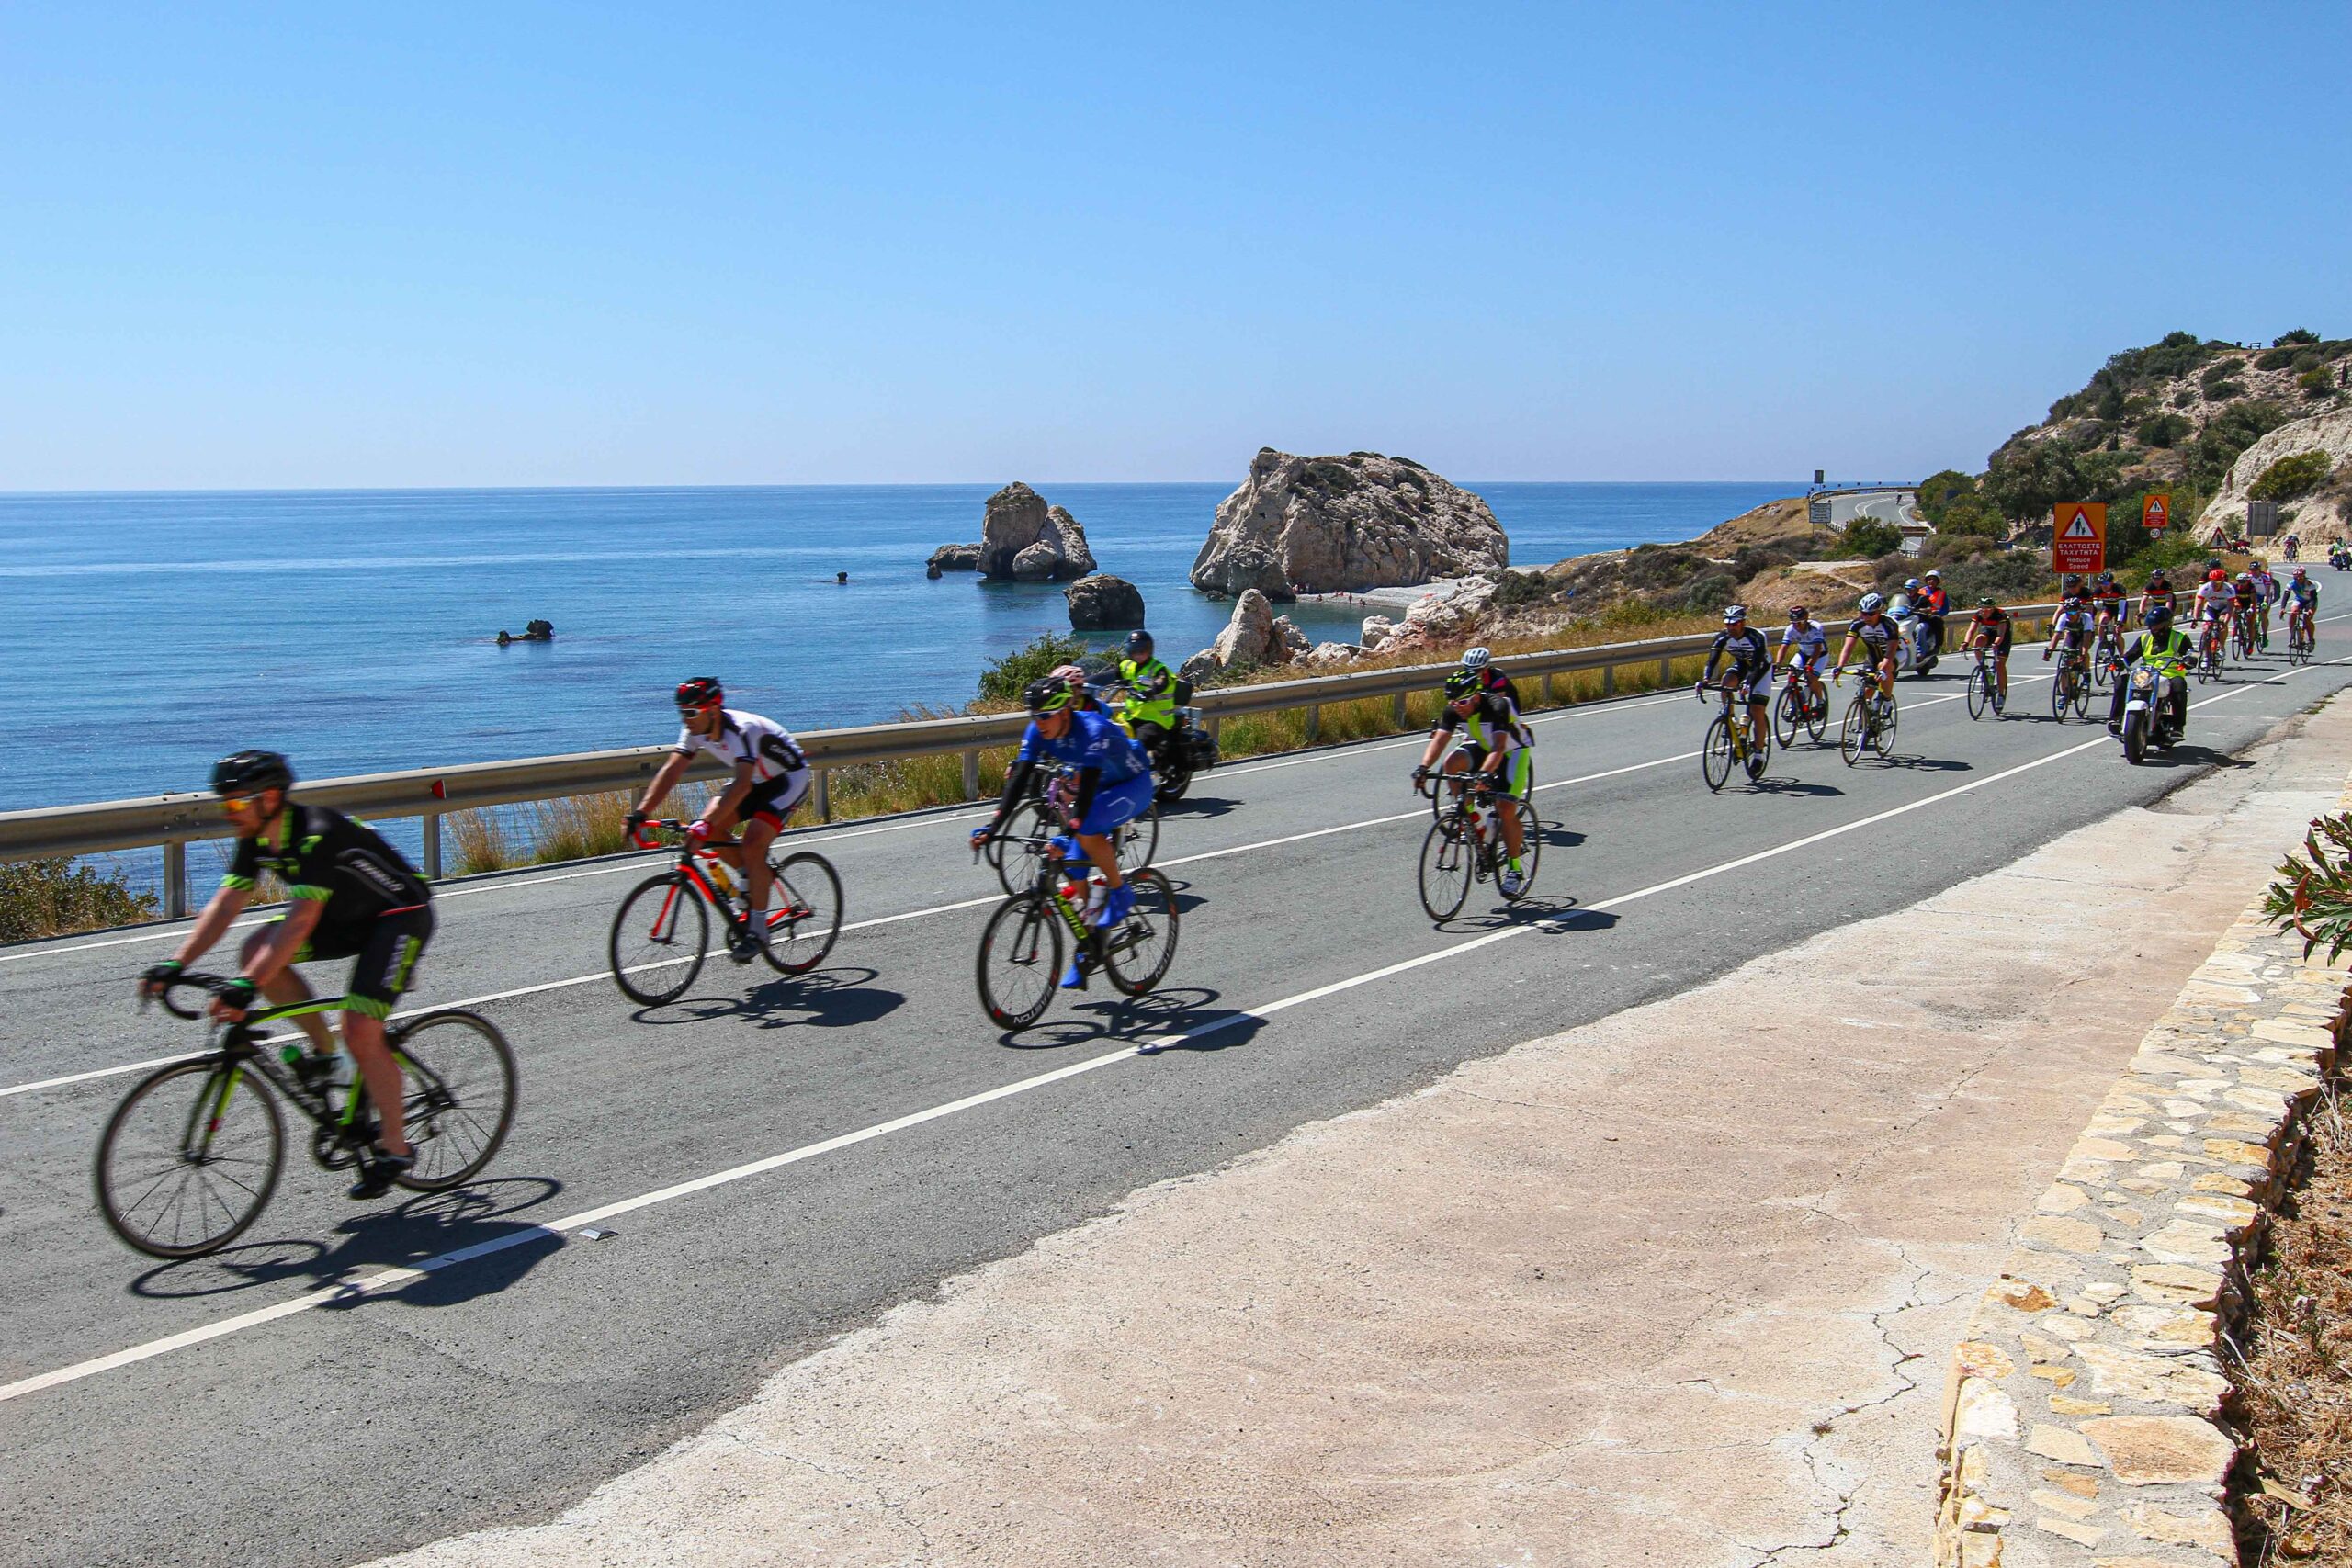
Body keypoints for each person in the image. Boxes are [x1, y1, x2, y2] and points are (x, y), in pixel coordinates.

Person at [140, 750, 433, 1200]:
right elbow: (225, 906)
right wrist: (176, 963)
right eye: (225, 804)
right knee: (254, 949)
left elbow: (299, 924)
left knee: (361, 1028)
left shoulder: (317, 834)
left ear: (270, 797)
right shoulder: (256, 837)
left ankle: (395, 1148)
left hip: (398, 917)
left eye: (237, 802)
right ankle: (329, 1053)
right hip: (343, 918)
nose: (230, 813)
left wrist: (246, 986)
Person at [971, 673, 1155, 987]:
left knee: (1086, 825)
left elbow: (1086, 795)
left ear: (1065, 711)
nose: (1039, 723)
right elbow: (1020, 780)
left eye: (1045, 716)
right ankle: (1092, 946)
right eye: (1034, 716)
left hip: (1132, 784)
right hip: (1100, 791)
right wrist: (993, 827)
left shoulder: (1093, 729)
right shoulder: (1038, 731)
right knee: (1072, 866)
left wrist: (1066, 834)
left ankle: (1120, 892)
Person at [628, 678, 812, 963]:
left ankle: (758, 931)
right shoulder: (695, 730)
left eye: (691, 713)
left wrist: (704, 824)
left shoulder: (741, 730)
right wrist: (641, 813)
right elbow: (671, 771)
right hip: (756, 780)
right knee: (708, 828)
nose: (685, 719)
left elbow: (742, 785)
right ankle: (751, 876)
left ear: (713, 710)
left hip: (788, 780)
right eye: (681, 712)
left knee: (752, 843)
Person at [1412, 668, 1533, 897]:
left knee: (1505, 808)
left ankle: (1514, 869)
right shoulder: (1455, 709)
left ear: (1476, 697)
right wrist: (1423, 768)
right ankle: (1470, 818)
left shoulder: (1497, 706)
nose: (1457, 707)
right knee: (1451, 763)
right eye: (1453, 702)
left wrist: (1485, 774)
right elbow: (1440, 740)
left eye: (1463, 702)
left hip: (1512, 751)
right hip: (1483, 746)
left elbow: (1499, 747)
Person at [2106, 603, 2193, 740]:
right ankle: (2116, 719)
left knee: (2179, 686)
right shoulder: (2145, 638)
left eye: (2157, 625)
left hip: (2170, 675)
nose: (2154, 629)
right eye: (2152, 626)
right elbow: (2131, 655)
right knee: (2121, 681)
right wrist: (2120, 662)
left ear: (2167, 624)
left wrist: (2189, 660)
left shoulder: (2180, 638)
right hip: (2147, 675)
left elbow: (2191, 653)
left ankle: (2177, 727)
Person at [1697, 604, 1772, 754]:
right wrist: (1705, 679)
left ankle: (1759, 754)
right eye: (1728, 624)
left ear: (1743, 623)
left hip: (1761, 669)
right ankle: (1730, 720)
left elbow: (1756, 664)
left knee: (1757, 710)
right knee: (1726, 682)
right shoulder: (1722, 637)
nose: (1731, 628)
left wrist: (1748, 683)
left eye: (1735, 624)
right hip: (1742, 665)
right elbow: (1712, 660)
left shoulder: (1756, 636)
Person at [1114, 631, 1180, 758]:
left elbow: (1161, 681)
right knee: (1111, 737)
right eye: (1133, 650)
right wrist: (1084, 681)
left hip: (1156, 719)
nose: (1138, 654)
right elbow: (1109, 675)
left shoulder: (1158, 668)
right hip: (1130, 717)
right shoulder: (1127, 665)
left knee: (1138, 747)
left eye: (1142, 650)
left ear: (1149, 650)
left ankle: (1143, 769)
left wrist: (1150, 691)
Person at [1837, 592, 1900, 704]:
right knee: (1868, 689)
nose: (1866, 617)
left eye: (1871, 614)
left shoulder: (1889, 624)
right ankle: (1868, 711)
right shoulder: (1857, 624)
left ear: (1879, 612)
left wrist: (1882, 670)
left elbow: (1891, 650)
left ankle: (1887, 700)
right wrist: (1839, 667)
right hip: (1872, 656)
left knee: (1883, 669)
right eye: (1863, 613)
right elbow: (1848, 647)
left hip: (1893, 655)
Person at [1775, 605, 1830, 714]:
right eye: (1793, 623)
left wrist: (1809, 665)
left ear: (1806, 619)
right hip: (1803, 654)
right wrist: (1777, 663)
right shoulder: (1790, 629)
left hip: (1820, 655)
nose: (1797, 626)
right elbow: (1784, 647)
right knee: (1791, 675)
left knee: (1811, 676)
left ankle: (1820, 702)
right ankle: (1794, 707)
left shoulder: (1815, 628)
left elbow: (1817, 649)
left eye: (1799, 622)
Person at [1963, 596, 2014, 705]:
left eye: (1987, 609)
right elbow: (1971, 630)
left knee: (2000, 664)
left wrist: (1995, 644)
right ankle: (1984, 668)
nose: (1984, 611)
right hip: (1988, 631)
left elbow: (2001, 635)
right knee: (1978, 640)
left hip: (2002, 636)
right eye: (1982, 608)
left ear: (1992, 609)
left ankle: (2001, 695)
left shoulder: (2000, 615)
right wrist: (1965, 643)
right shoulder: (1978, 614)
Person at [2043, 592, 2096, 689]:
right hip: (2072, 635)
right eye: (2067, 612)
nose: (2069, 615)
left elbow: (2086, 639)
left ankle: (2086, 672)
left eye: (2072, 612)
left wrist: (2083, 654)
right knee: (2066, 659)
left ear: (2079, 611)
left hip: (2085, 636)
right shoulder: (2063, 617)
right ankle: (2065, 692)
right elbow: (2057, 635)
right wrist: (2050, 651)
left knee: (2081, 650)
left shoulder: (2086, 618)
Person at [1460, 645, 1525, 713]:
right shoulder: (1464, 678)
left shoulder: (1497, 677)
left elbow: (1499, 705)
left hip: (1507, 710)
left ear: (1485, 669)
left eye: (1476, 671)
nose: (1471, 673)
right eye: (1467, 669)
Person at [2285, 564, 2321, 645]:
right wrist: (2282, 608)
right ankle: (2292, 636)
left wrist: (2310, 609)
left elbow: (2313, 598)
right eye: (2296, 578)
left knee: (2307, 620)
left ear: (2304, 576)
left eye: (2300, 577)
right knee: (2293, 613)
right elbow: (2286, 596)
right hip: (2299, 600)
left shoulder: (2310, 584)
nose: (2298, 579)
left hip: (2310, 601)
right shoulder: (2291, 583)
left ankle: (2311, 639)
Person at [1916, 570, 1949, 654]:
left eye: (1934, 579)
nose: (1931, 581)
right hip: (1921, 615)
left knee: (1938, 621)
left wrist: (1938, 612)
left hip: (1933, 616)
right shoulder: (1920, 591)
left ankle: (1937, 646)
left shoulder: (1942, 593)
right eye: (1929, 579)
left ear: (1938, 582)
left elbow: (1945, 609)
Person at [2249, 558, 2279, 649]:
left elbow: (2267, 593)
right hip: (2255, 595)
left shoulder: (2265, 577)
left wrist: (2265, 602)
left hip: (2266, 595)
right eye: (2252, 570)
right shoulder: (2249, 577)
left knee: (2263, 614)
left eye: (2255, 570)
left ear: (2259, 569)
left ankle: (2265, 635)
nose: (2254, 572)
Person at [2233, 570, 2261, 649]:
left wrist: (2251, 609)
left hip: (2250, 604)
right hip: (2240, 603)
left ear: (2247, 581)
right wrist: (2236, 604)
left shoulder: (2251, 588)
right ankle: (2236, 626)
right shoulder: (2234, 587)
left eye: (2243, 582)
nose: (2241, 583)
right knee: (2234, 611)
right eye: (2239, 581)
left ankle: (2251, 644)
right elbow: (2233, 598)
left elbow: (2253, 601)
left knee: (2250, 624)